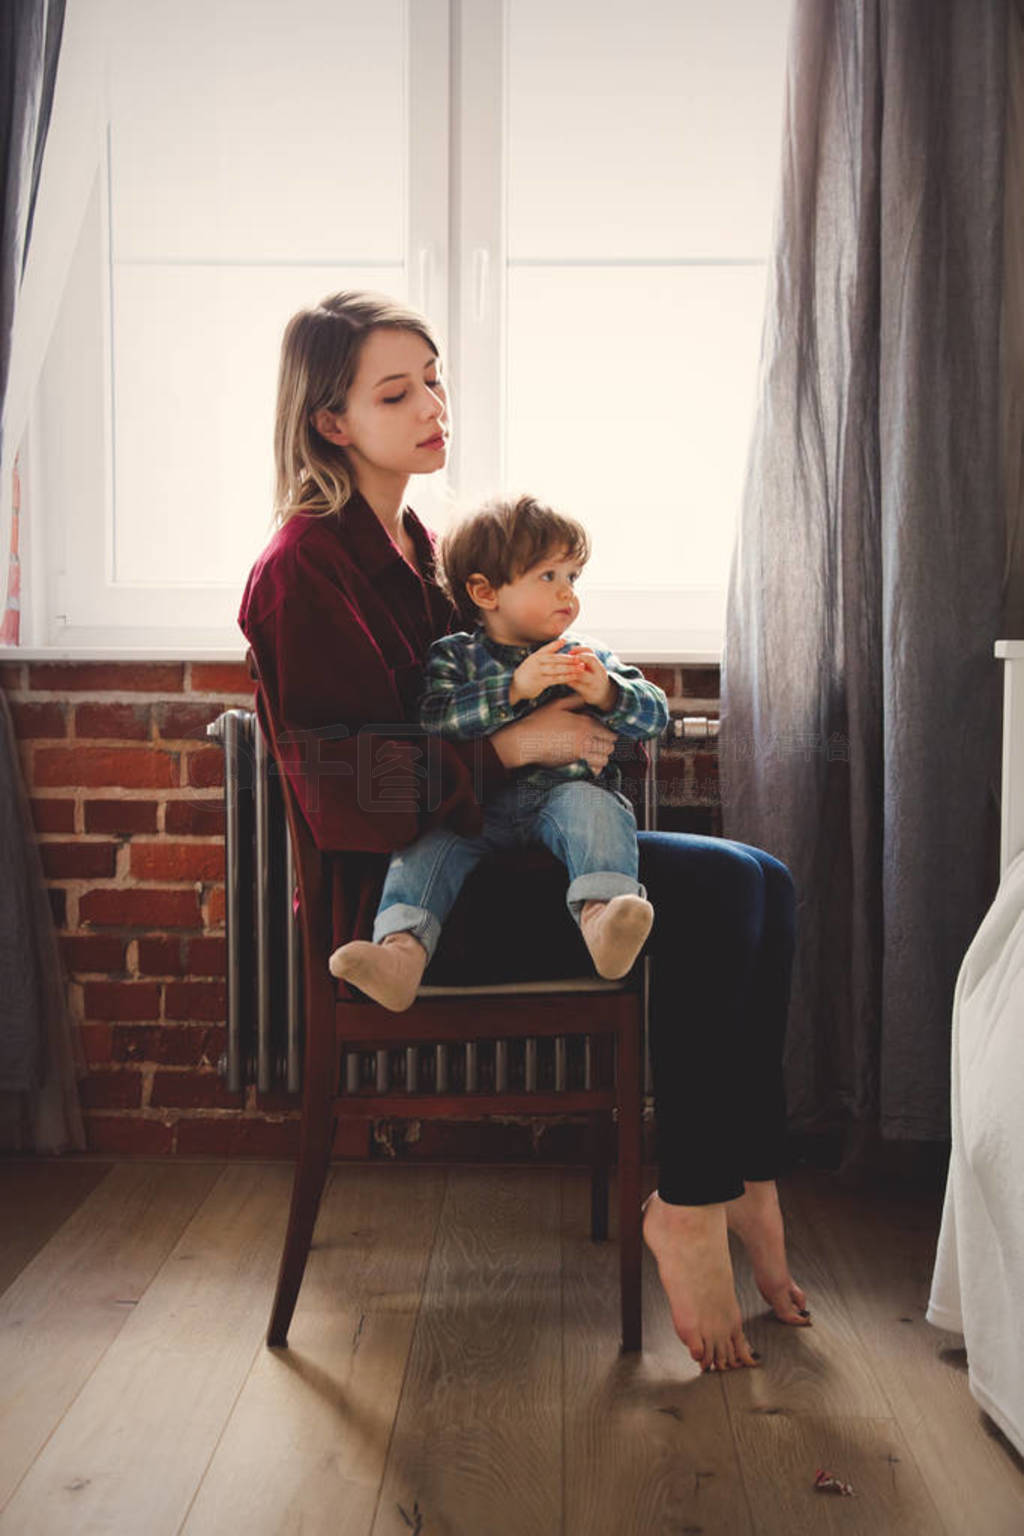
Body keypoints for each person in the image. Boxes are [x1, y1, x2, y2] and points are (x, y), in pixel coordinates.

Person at [238, 289, 810, 1374]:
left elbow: (485, 684)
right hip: (412, 900)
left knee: (764, 881)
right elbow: (339, 783)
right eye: (395, 392)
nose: (431, 405)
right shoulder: (302, 568)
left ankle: (744, 1177)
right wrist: (513, 749)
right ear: (330, 422)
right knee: (727, 894)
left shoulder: (414, 543)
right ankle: (688, 1201)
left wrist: (579, 706)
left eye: (435, 379)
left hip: (491, 854)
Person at [326, 493, 668, 1011]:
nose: (567, 595)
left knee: (597, 806)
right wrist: (513, 689)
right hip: (474, 808)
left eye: (572, 578)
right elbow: (433, 720)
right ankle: (400, 952)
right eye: (547, 577)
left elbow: (655, 715)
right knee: (426, 841)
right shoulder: (454, 657)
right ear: (486, 592)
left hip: (560, 798)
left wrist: (609, 693)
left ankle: (603, 920)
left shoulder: (588, 655)